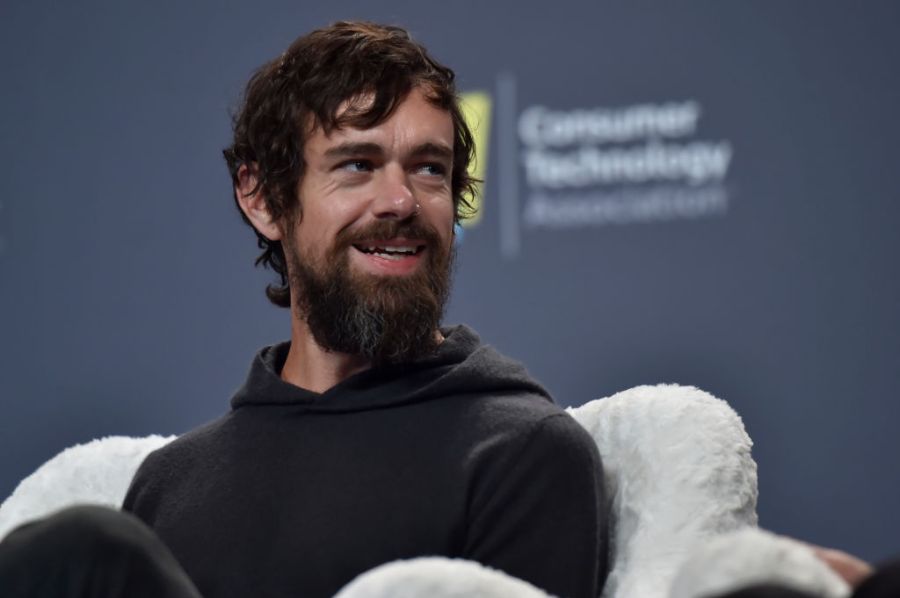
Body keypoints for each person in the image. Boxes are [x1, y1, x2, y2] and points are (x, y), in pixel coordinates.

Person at [117, 20, 607, 598]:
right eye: (358, 165)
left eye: (429, 168)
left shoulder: (521, 455)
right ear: (263, 198)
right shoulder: (166, 489)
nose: (400, 201)